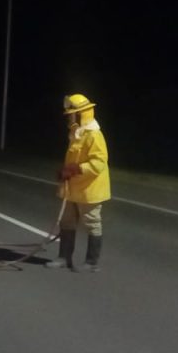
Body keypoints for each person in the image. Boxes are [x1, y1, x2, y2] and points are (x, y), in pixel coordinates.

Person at [46, 93, 111, 272]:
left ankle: (91, 263)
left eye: (72, 114)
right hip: (72, 187)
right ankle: (63, 258)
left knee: (92, 223)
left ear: (82, 114)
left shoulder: (94, 135)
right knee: (66, 222)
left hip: (90, 189)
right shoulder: (76, 134)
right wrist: (65, 172)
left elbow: (98, 163)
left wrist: (75, 169)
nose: (69, 118)